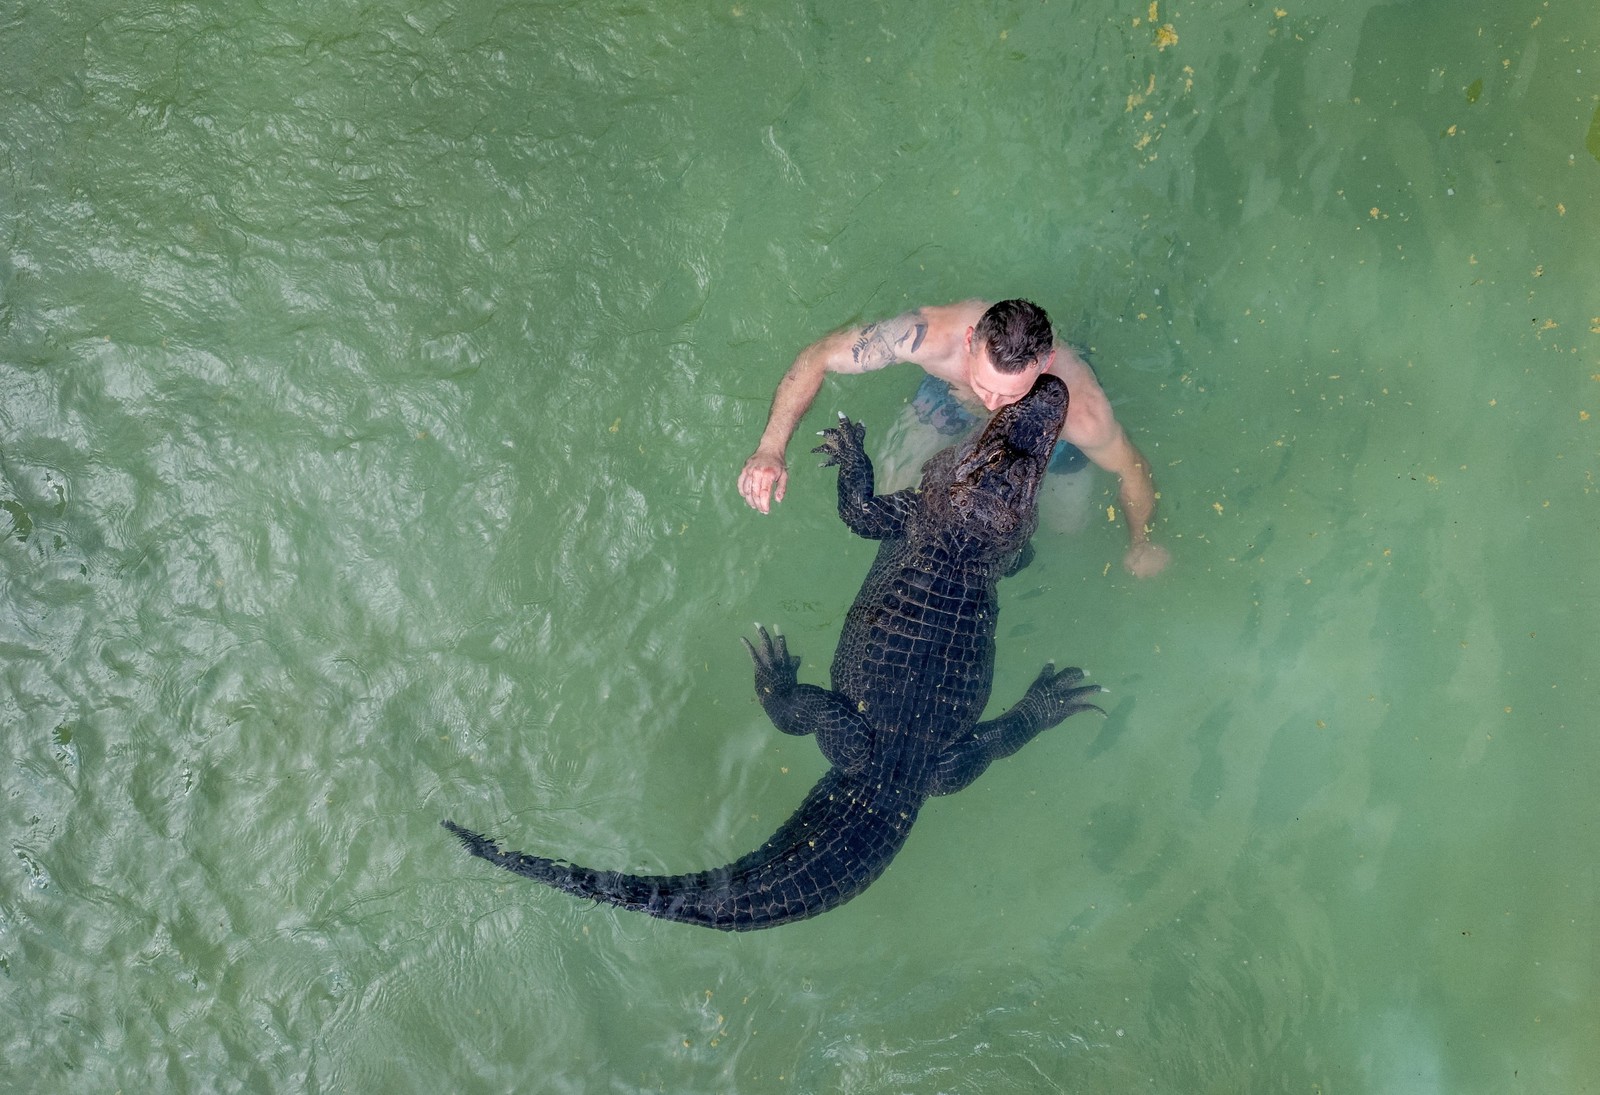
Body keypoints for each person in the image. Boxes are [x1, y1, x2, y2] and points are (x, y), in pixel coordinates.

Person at [737, 298, 1170, 578]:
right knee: (890, 494)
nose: (995, 403)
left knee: (1067, 526)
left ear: (1047, 362)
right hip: (951, 402)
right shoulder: (929, 337)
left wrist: (1141, 542)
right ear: (969, 342)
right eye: (986, 384)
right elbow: (818, 356)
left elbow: (1132, 467)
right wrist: (771, 448)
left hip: (1043, 438)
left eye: (1010, 393)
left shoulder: (1081, 412)